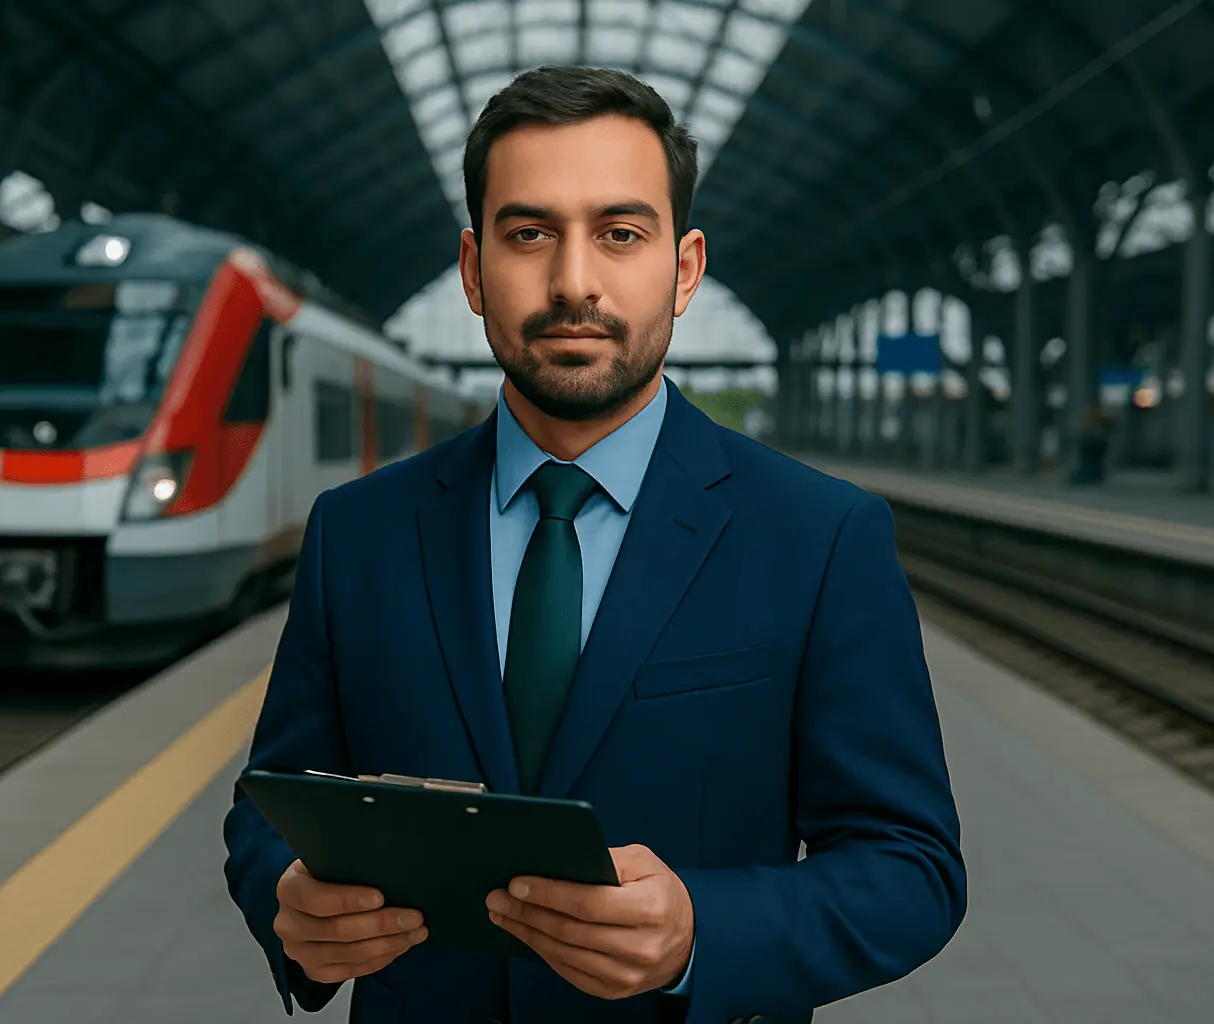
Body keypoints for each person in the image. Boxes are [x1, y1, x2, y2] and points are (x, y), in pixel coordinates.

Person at [223, 65, 965, 1024]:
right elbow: (272, 801)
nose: (575, 282)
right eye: (529, 234)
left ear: (685, 268)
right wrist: (285, 899)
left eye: (621, 234)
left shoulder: (821, 537)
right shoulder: (356, 532)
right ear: (472, 268)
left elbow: (912, 868)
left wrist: (705, 930)